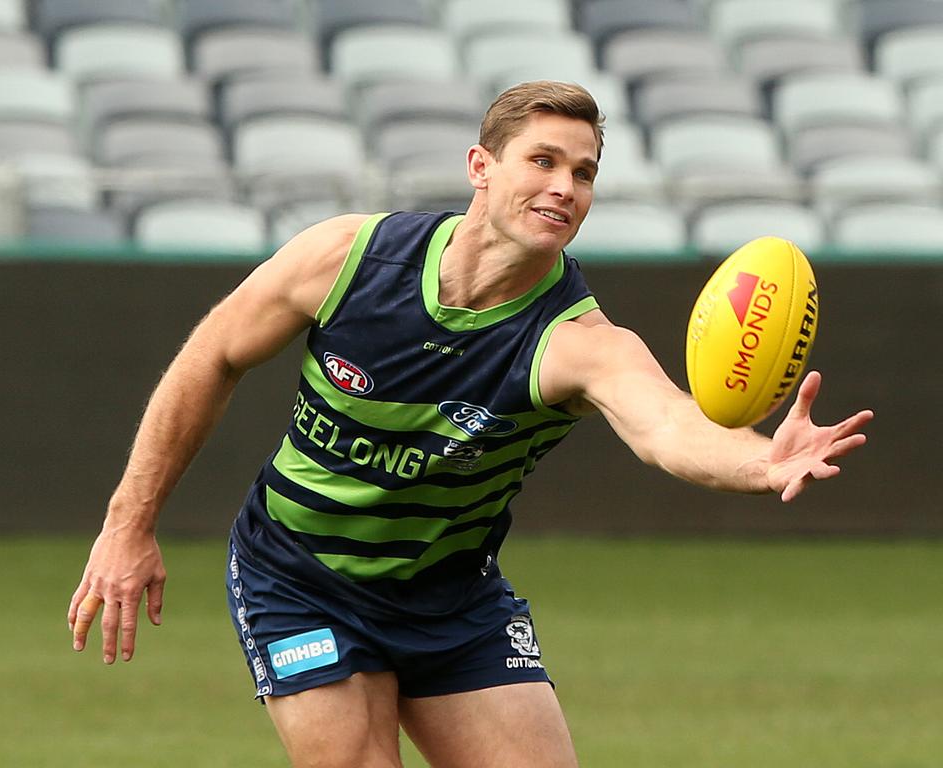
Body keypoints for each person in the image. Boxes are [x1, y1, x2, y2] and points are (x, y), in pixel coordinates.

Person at [68, 81, 873, 767]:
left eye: (585, 173)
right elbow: (211, 354)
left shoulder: (576, 343)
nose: (566, 186)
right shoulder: (349, 258)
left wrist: (761, 461)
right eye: (544, 161)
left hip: (452, 597)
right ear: (480, 169)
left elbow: (667, 426)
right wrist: (128, 523)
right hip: (299, 578)